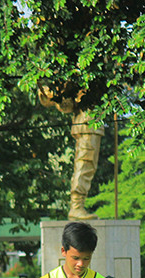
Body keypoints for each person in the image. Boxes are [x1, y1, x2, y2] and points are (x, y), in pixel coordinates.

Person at [38, 85, 105, 221]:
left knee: (88, 165)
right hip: (87, 123)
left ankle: (78, 205)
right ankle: (76, 205)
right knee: (85, 163)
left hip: (92, 123)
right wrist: (51, 94)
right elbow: (66, 105)